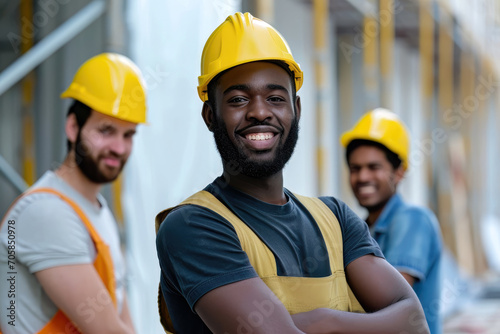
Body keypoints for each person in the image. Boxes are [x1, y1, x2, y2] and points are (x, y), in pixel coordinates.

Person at [155, 12, 428, 334]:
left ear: (296, 110)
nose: (259, 111)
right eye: (239, 99)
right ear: (210, 116)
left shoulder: (336, 219)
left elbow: (414, 322)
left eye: (275, 98)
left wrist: (325, 321)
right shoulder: (193, 227)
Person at [0, 53, 147, 334]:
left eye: (128, 135)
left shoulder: (98, 212)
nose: (119, 147)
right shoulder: (47, 212)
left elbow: (122, 320)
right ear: (72, 127)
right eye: (106, 130)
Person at [340, 108, 443, 333]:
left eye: (374, 167)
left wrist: (323, 318)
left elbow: (391, 303)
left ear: (399, 172)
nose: (363, 177)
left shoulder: (412, 220)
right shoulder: (362, 228)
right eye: (355, 169)